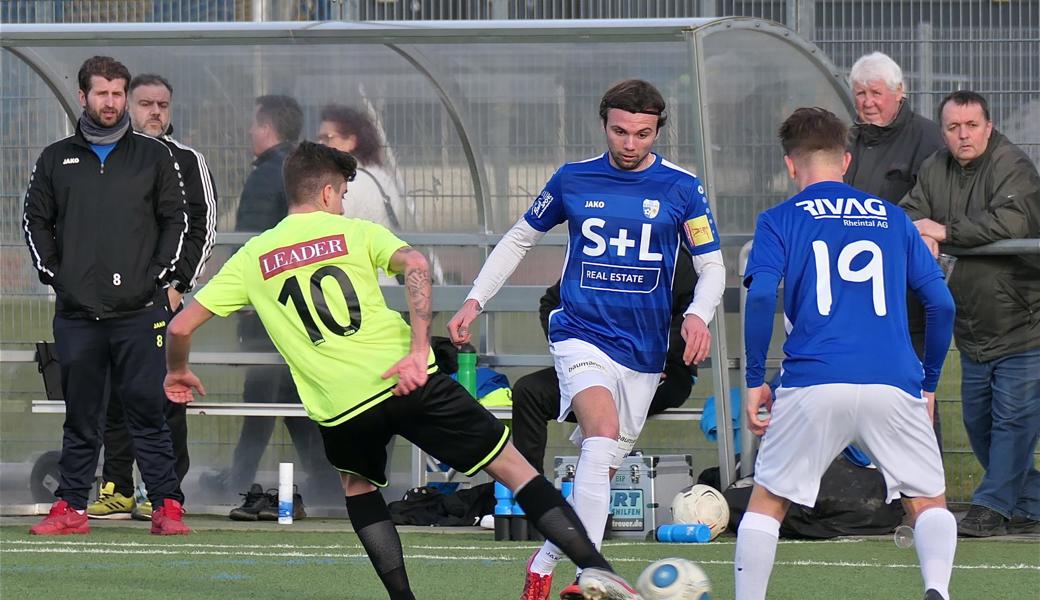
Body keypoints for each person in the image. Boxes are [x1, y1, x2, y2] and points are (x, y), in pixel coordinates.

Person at [162, 141, 641, 600]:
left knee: (359, 487)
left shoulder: (252, 258)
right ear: (327, 192)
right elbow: (415, 265)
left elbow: (181, 325)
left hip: (341, 406)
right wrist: (417, 350)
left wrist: (177, 372)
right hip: (406, 379)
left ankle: (403, 598)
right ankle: (597, 569)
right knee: (514, 469)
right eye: (343, 195)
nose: (344, 205)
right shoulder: (354, 233)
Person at [447, 79, 726, 600]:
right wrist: (473, 300)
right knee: (601, 434)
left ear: (657, 131)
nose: (629, 143)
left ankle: (544, 560)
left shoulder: (682, 188)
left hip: (643, 352)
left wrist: (697, 316)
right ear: (604, 125)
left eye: (642, 134)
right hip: (580, 333)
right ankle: (591, 577)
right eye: (620, 131)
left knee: (606, 459)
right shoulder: (573, 180)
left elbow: (712, 266)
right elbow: (519, 239)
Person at [736, 107, 957, 600]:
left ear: (791, 166)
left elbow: (760, 297)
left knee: (768, 503)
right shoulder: (895, 220)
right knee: (927, 501)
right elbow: (941, 303)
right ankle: (937, 590)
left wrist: (755, 379)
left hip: (814, 381)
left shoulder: (779, 220)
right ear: (847, 160)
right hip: (893, 380)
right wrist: (927, 383)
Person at [22, 56, 190, 536]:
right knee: (82, 416)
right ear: (84, 97)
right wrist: (57, 275)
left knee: (147, 411)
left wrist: (159, 276)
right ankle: (71, 507)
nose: (111, 102)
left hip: (140, 312)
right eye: (102, 93)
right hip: (77, 314)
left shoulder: (154, 156)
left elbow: (176, 221)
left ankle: (167, 506)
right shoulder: (56, 158)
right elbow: (35, 220)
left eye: (118, 94)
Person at [900, 90, 1040, 537]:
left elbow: (1014, 223)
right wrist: (915, 231)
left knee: (1014, 422)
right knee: (979, 426)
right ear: (943, 131)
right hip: (973, 330)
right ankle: (1028, 501)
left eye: (971, 126)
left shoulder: (1013, 165)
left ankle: (989, 508)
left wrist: (945, 230)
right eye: (953, 127)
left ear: (989, 126)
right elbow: (909, 213)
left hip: (1024, 322)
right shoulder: (934, 168)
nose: (963, 135)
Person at [86, 72, 217, 522]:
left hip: (161, 302)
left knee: (164, 394)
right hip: (107, 302)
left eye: (162, 104)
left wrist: (179, 288)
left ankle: (163, 491)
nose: (155, 112)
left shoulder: (186, 160)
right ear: (127, 106)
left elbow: (202, 228)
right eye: (145, 104)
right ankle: (117, 486)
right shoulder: (105, 158)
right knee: (111, 393)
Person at [200, 95, 339, 511]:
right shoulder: (295, 170)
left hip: (269, 310)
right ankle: (323, 477)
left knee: (264, 394)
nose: (248, 132)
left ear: (267, 128)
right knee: (287, 396)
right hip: (297, 308)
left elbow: (251, 243)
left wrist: (236, 293)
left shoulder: (268, 176)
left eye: (253, 124)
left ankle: (239, 479)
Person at [512, 247, 698, 476]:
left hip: (661, 370)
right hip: (594, 364)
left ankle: (587, 502)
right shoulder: (598, 250)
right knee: (529, 391)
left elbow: (693, 317)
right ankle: (529, 495)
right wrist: (572, 351)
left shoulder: (672, 252)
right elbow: (552, 303)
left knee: (604, 422)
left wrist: (653, 357)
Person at [844, 52, 947, 446]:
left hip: (907, 289)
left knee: (916, 386)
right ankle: (868, 490)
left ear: (899, 93)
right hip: (855, 285)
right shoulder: (848, 138)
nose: (868, 102)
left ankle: (925, 489)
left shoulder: (926, 138)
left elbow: (932, 203)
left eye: (876, 93)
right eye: (860, 93)